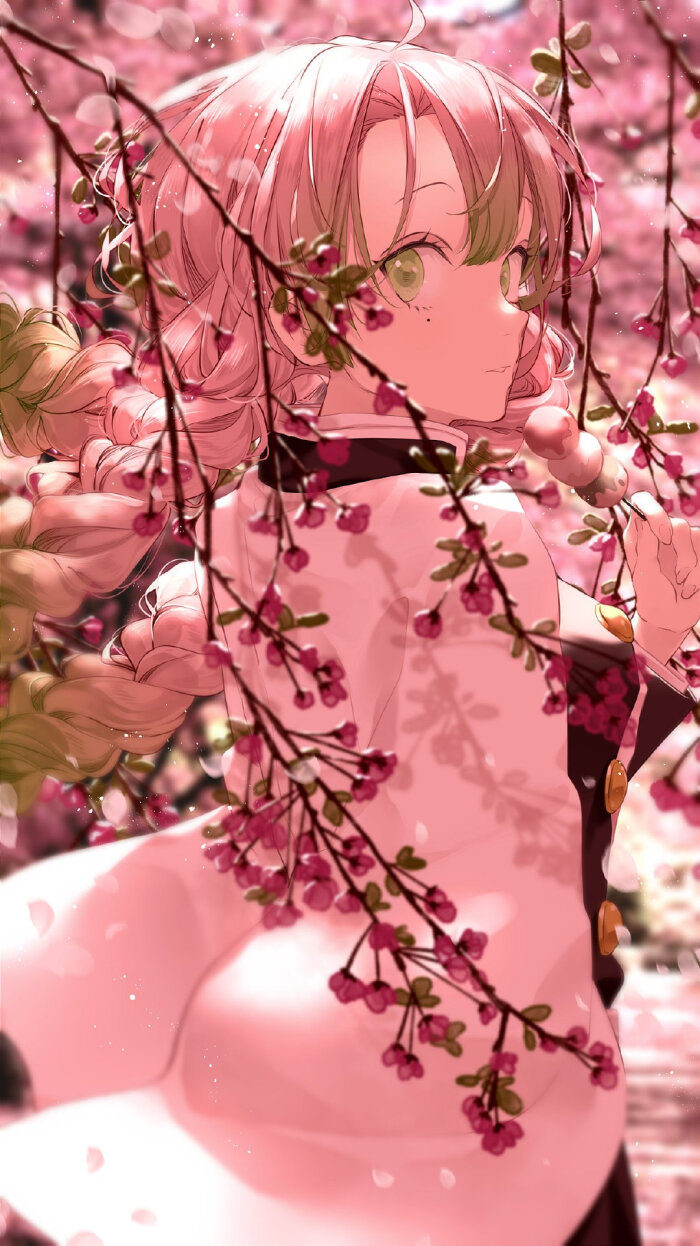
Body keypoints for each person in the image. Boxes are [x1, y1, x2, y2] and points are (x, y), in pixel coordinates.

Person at [0, 4, 697, 1244]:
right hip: (441, 1026)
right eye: (428, 260)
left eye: (518, 267)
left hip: (290, 980)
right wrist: (667, 645)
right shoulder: (464, 528)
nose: (513, 311)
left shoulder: (253, 514)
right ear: (288, 300)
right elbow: (552, 767)